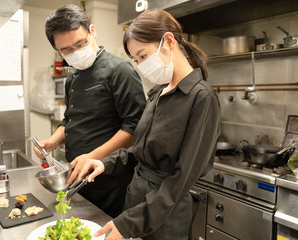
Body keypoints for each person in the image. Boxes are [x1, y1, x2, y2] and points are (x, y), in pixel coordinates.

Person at [77, 9, 221, 240]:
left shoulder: (201, 98)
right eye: (136, 60)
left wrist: (129, 223)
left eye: (143, 56)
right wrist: (105, 163)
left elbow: (181, 179)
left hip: (165, 215)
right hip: (136, 198)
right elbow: (141, 151)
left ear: (168, 41)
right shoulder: (158, 92)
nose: (140, 65)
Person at [33, 5, 146, 218]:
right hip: (78, 179)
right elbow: (70, 120)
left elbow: (135, 129)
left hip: (112, 181)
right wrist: (53, 141)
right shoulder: (72, 77)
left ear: (92, 31)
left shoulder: (120, 71)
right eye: (66, 50)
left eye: (80, 44)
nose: (75, 52)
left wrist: (92, 158)